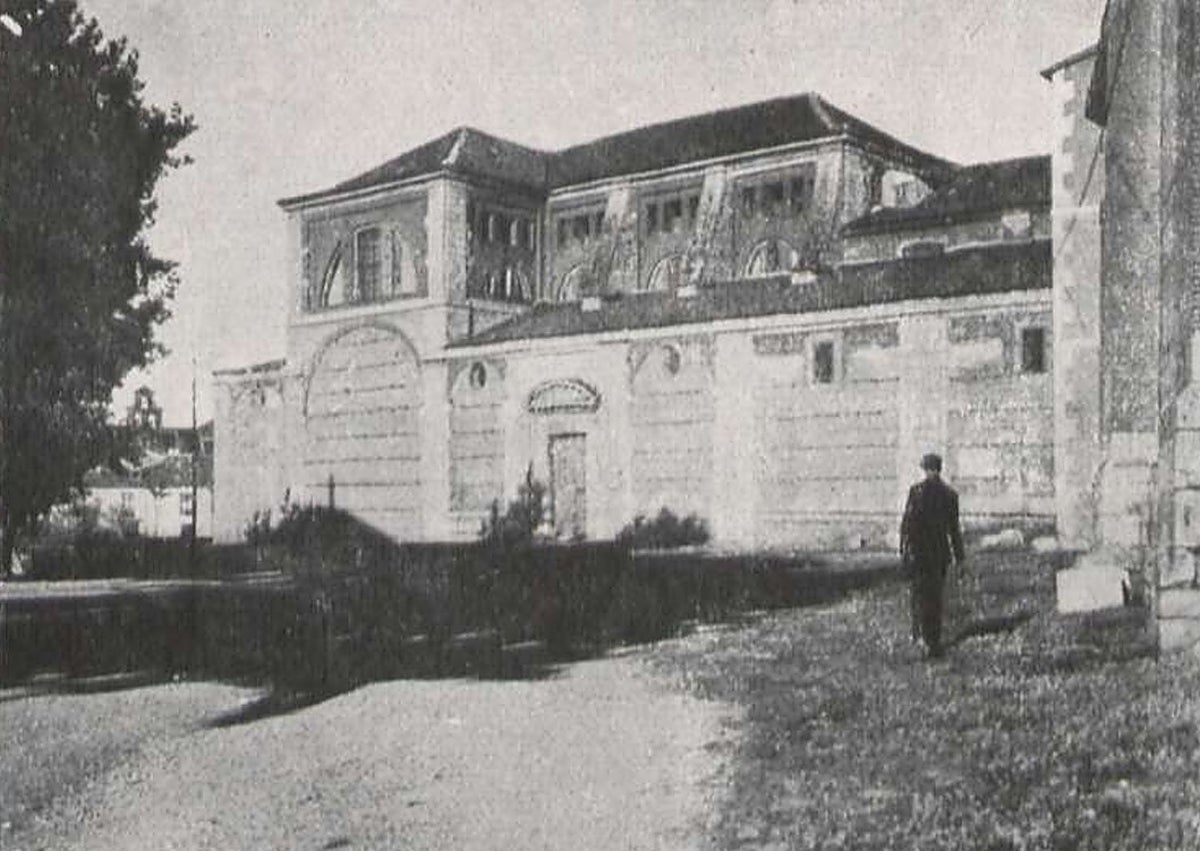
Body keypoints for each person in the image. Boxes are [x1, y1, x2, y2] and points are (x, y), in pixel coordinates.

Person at [900, 453, 965, 658]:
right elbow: (954, 530)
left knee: (918, 595)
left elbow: (907, 525)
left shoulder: (916, 492)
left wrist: (904, 550)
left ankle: (919, 636)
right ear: (939, 469)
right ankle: (933, 639)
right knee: (935, 597)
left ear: (925, 469)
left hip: (919, 554)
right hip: (939, 554)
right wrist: (960, 556)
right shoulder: (950, 495)